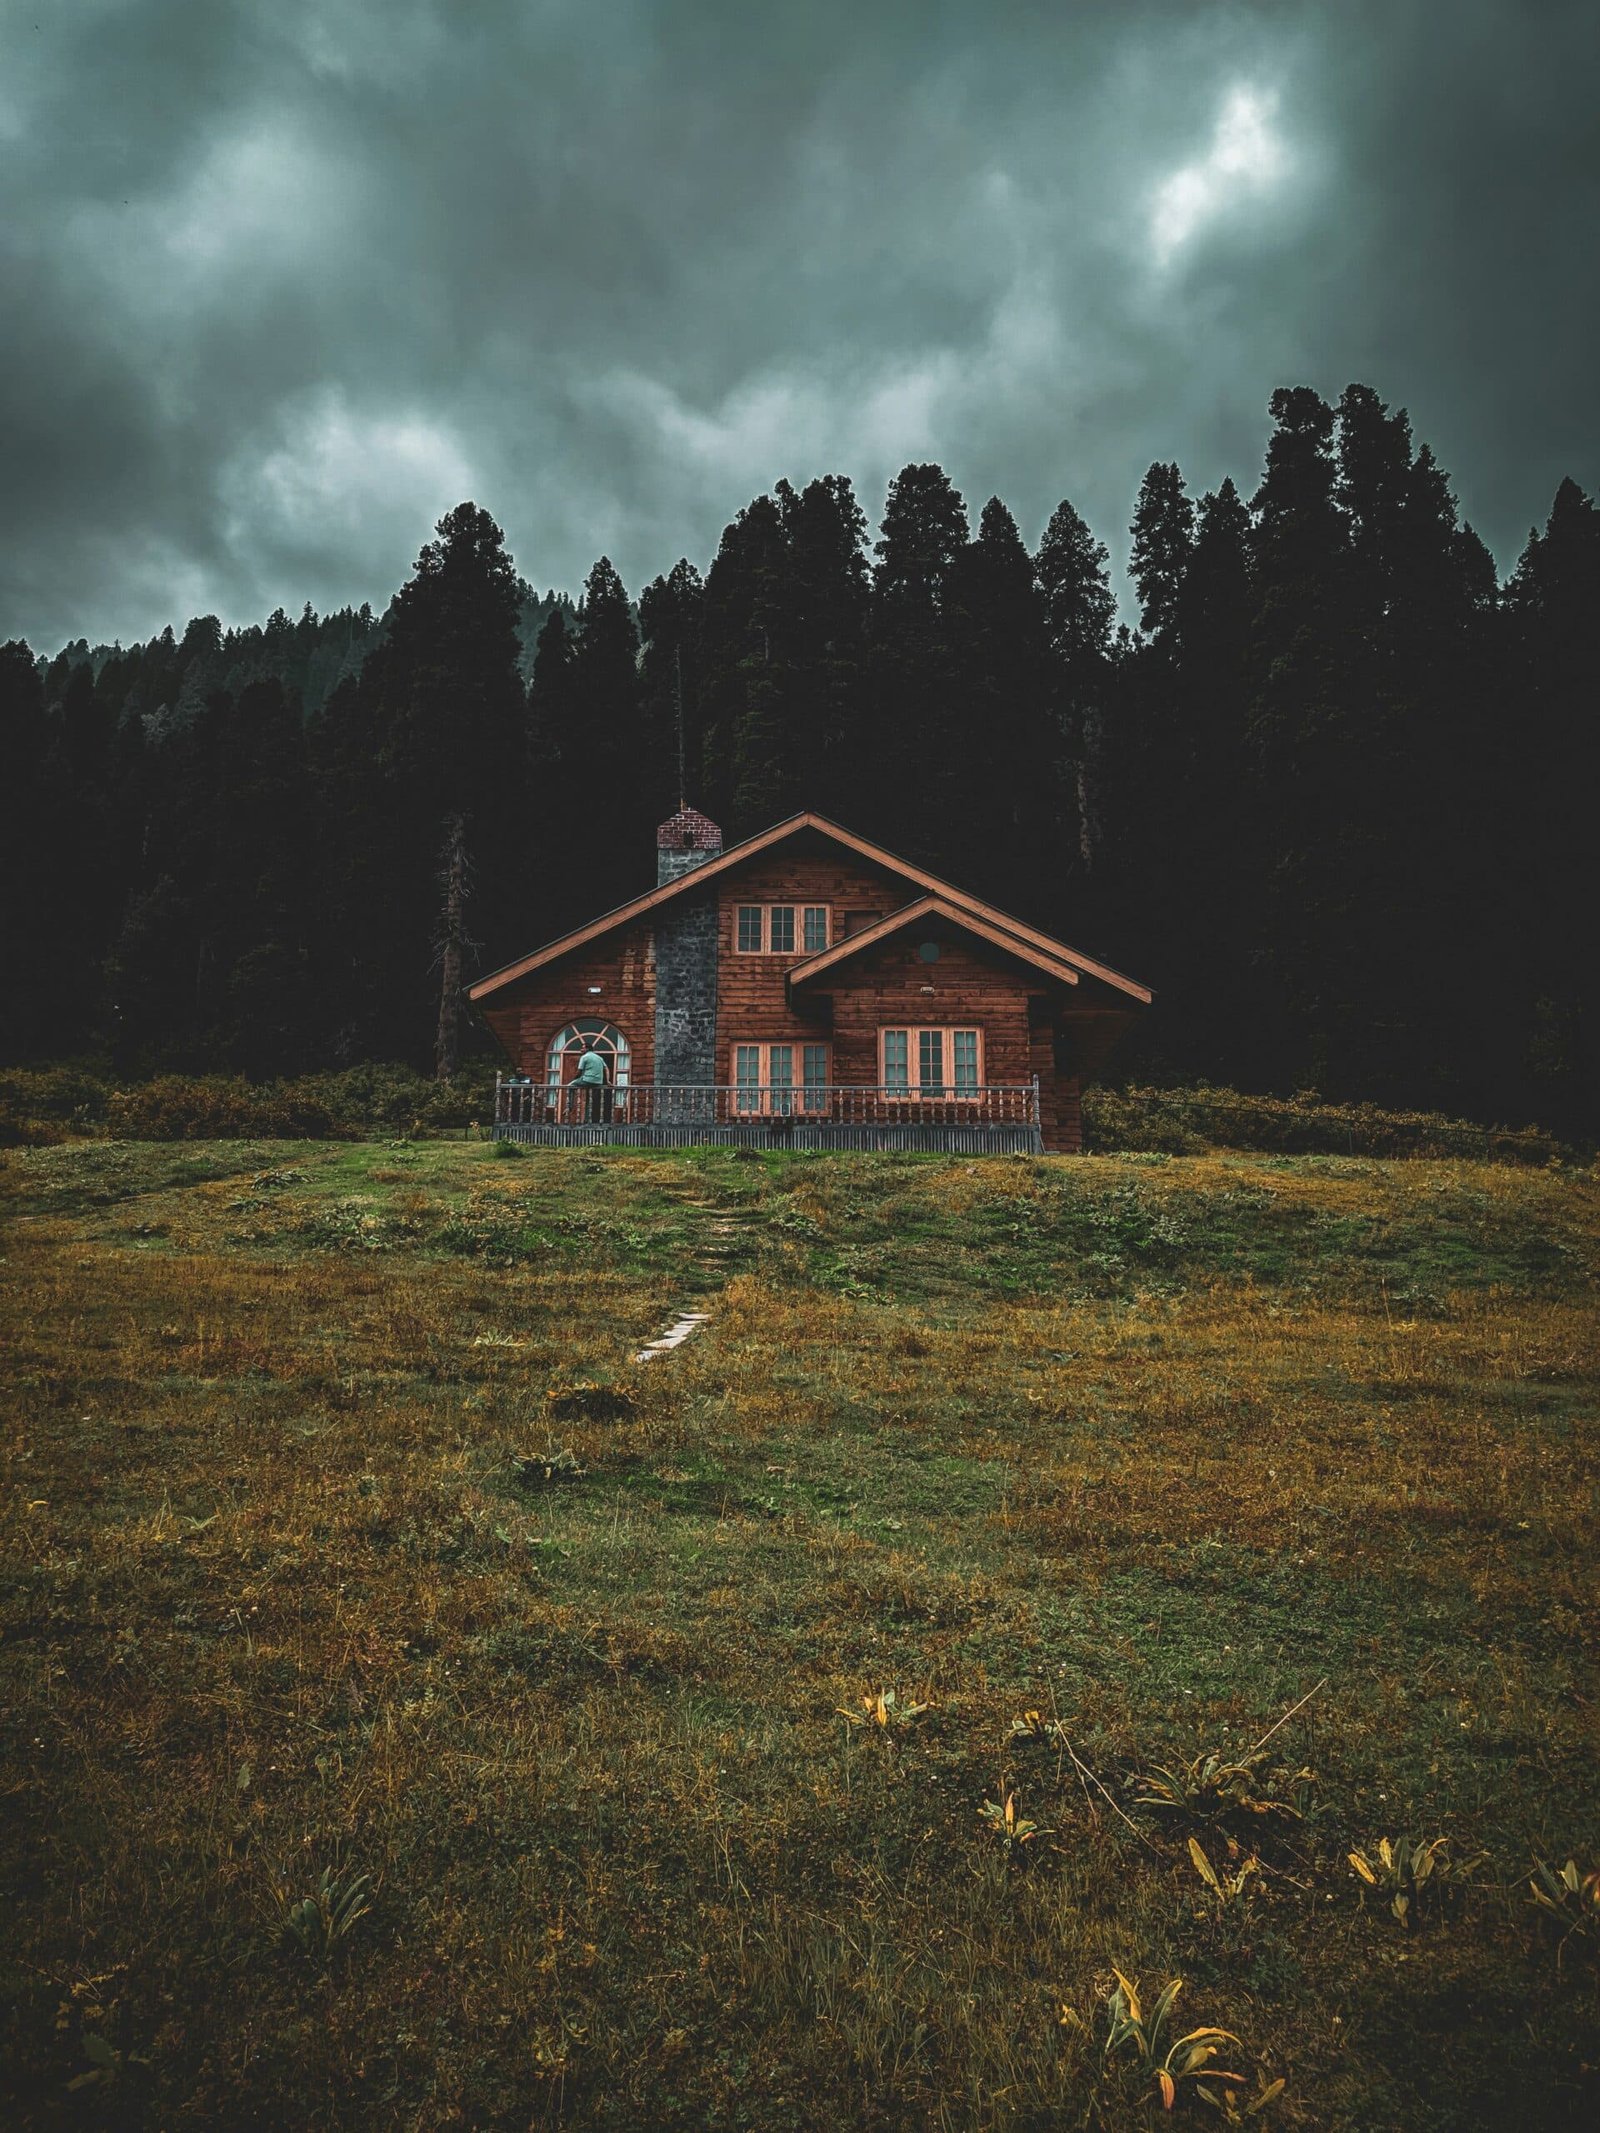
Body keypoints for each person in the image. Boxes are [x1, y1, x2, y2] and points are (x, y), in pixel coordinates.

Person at [570, 1042, 610, 1123]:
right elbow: (606, 1069)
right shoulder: (599, 1058)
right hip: (598, 1082)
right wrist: (608, 1081)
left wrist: (574, 1079)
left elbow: (579, 1071)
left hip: (587, 1080)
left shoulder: (584, 1057)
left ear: (587, 1049)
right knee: (589, 1099)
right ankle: (587, 1119)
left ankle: (569, 1106)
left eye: (582, 1048)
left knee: (570, 1086)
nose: (581, 1050)